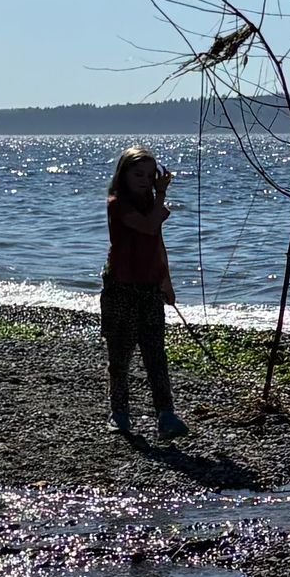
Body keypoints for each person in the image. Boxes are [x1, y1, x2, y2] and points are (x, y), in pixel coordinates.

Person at [102, 146, 187, 439]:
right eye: (138, 174)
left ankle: (166, 414)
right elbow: (149, 228)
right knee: (120, 355)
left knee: (155, 354)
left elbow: (157, 243)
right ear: (124, 175)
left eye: (150, 176)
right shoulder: (117, 204)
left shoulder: (150, 202)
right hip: (120, 286)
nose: (145, 180)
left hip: (149, 286)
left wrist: (166, 281)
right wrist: (161, 195)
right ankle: (119, 413)